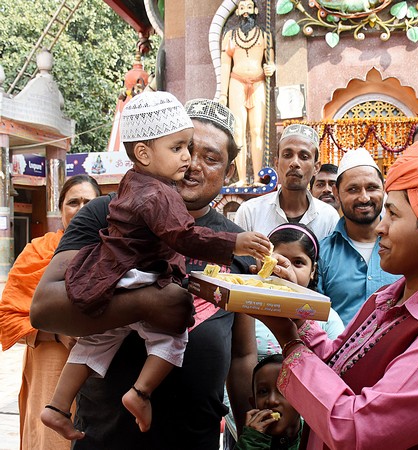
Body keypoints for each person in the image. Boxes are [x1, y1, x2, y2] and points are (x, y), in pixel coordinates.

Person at [252, 132, 418, 449]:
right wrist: (294, 312)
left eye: (393, 214)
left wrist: (288, 342)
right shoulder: (390, 297)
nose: (380, 227)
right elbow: (337, 363)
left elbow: (357, 429)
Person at [30, 98, 261, 449]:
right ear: (147, 153)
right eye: (182, 148)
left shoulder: (237, 246)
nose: (191, 163)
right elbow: (43, 309)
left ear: (229, 172)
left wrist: (248, 436)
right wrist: (144, 305)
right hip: (105, 440)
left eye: (209, 158)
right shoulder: (104, 215)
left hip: (193, 441)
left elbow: (243, 354)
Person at [0, 175, 101, 450]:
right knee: (49, 441)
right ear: (61, 210)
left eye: (89, 202)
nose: (81, 209)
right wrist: (56, 336)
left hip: (101, 374)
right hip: (49, 370)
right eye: (73, 202)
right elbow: (8, 317)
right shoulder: (38, 251)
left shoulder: (115, 252)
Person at [223, 223, 344, 448]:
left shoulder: (327, 318)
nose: (285, 270)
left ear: (313, 270)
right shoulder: (248, 309)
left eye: (298, 263)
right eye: (277, 261)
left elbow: (334, 375)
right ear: (262, 264)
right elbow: (236, 365)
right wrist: (245, 429)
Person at [317, 148, 400, 325]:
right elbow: (315, 320)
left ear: (383, 189)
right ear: (337, 193)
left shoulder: (405, 247)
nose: (364, 198)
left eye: (371, 188)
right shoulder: (322, 253)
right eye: (353, 189)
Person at [235, 123, 339, 240]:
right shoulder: (250, 212)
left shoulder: (329, 218)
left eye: (304, 157)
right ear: (276, 163)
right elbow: (240, 258)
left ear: (316, 168)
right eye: (287, 155)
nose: (294, 163)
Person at [219, 0, 276, 185]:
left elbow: (270, 60)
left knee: (258, 130)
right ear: (237, 12)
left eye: (249, 8)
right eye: (241, 8)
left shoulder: (263, 35)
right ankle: (242, 178)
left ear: (256, 10)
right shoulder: (230, 36)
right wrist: (223, 94)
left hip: (258, 83)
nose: (245, 12)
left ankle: (258, 177)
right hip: (236, 82)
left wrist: (271, 67)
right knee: (238, 131)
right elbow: (226, 66)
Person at [235, 354, 302, 450]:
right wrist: (252, 443)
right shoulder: (249, 441)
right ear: (253, 403)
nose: (271, 400)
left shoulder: (316, 438)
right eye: (263, 391)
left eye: (282, 390)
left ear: (302, 400)